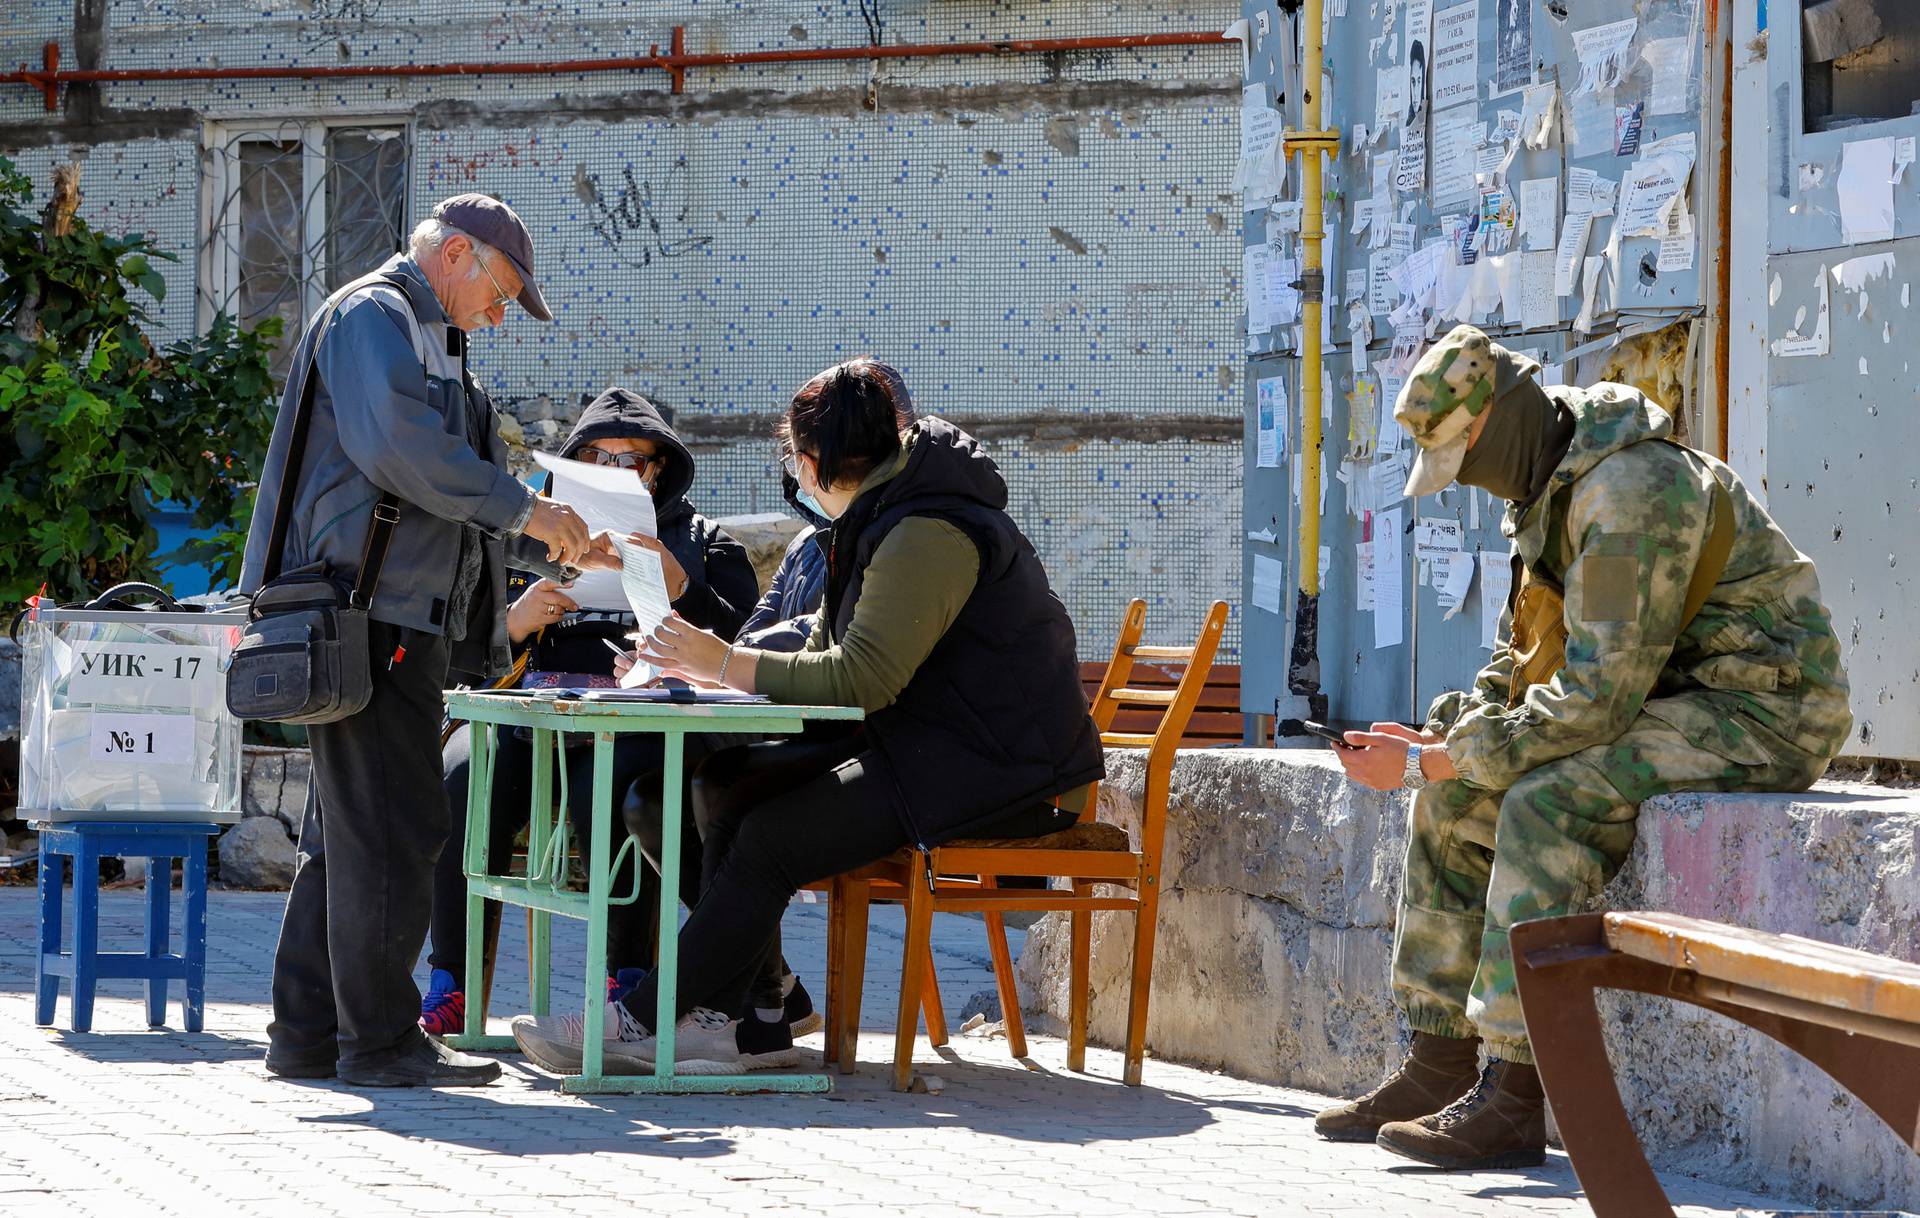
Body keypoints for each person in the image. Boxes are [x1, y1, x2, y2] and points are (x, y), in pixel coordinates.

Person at [1314, 325, 1852, 1169]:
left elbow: (1596, 701)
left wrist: (1434, 758)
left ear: (1500, 417)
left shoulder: (1629, 491)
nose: (1468, 481)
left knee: (1544, 801)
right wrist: (1445, 738)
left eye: (1465, 454)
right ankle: (1437, 1060)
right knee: (1454, 798)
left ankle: (1516, 1095)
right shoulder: (1545, 491)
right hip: (1664, 699)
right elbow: (1528, 660)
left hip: (1763, 709)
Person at [509, 356, 1105, 1074]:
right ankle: (746, 1021)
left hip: (1006, 773)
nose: (793, 473)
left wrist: (720, 663)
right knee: (724, 785)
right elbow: (824, 632)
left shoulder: (930, 531)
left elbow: (862, 676)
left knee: (771, 839)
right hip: (931, 748)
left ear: (817, 461)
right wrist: (695, 656)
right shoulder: (886, 510)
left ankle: (644, 1020)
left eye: (794, 457)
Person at [242, 194, 615, 1087]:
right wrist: (528, 510)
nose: (498, 314)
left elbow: (459, 489)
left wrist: (554, 538)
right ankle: (378, 1043)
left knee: (351, 837)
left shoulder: (433, 339)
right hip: (369, 618)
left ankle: (307, 1034)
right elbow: (403, 449)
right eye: (500, 292)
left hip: (386, 617)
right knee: (397, 832)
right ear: (454, 255)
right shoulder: (374, 315)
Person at [421, 388, 759, 1034]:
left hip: (630, 723)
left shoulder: (700, 544)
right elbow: (459, 642)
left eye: (632, 461)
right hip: (531, 715)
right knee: (465, 771)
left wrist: (680, 592)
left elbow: (745, 648)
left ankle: (626, 980)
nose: (615, 473)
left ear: (659, 471)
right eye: (599, 459)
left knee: (611, 785)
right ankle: (452, 982)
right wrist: (513, 623)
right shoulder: (529, 539)